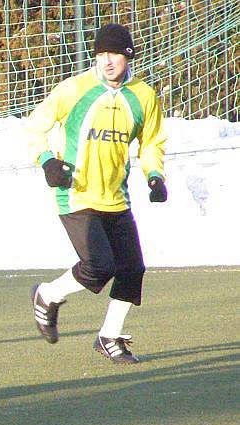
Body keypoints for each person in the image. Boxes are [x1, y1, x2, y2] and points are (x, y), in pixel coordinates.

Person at [25, 24, 167, 364]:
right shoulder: (75, 89)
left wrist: (155, 175)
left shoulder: (144, 96)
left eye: (114, 54)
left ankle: (109, 337)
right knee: (99, 266)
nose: (107, 62)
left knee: (132, 269)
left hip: (116, 198)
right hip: (77, 196)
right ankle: (48, 295)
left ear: (128, 56)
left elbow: (152, 143)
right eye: (101, 55)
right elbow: (34, 126)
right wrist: (47, 162)